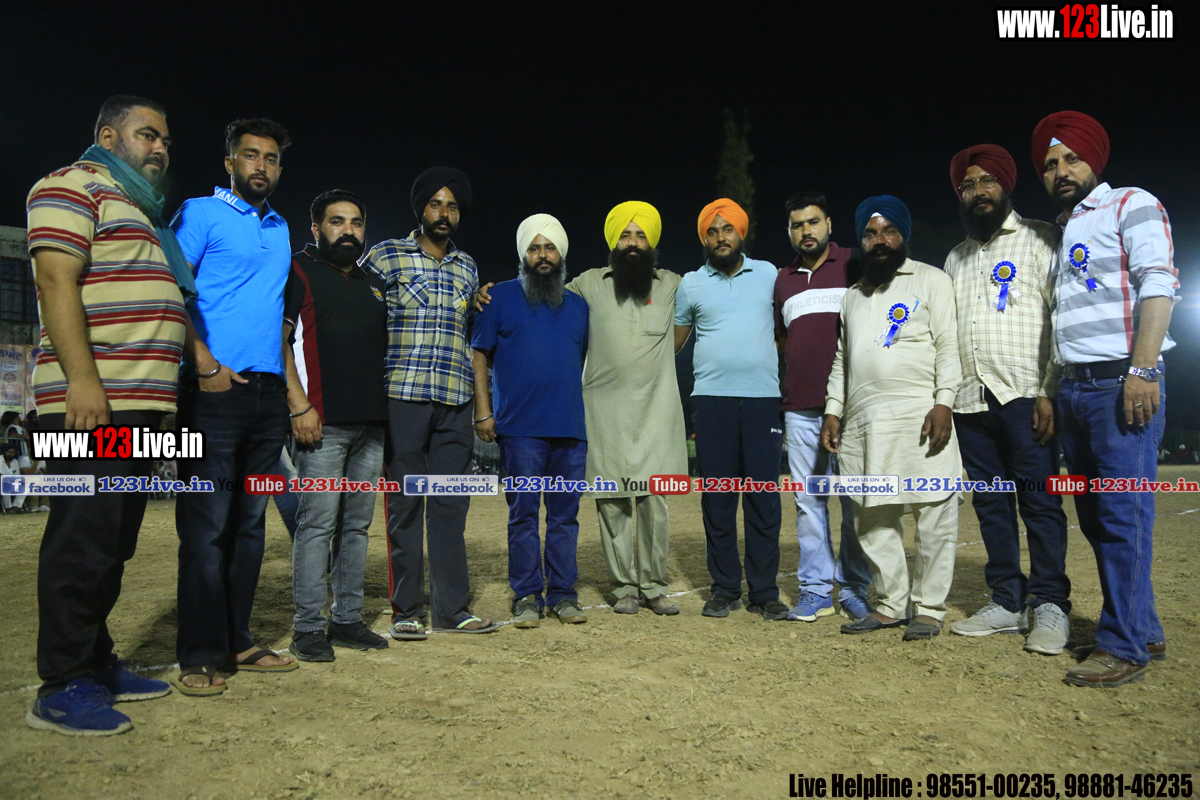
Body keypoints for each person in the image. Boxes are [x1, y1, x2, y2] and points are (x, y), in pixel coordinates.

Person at [25, 95, 189, 734]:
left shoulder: (141, 209)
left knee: (114, 545)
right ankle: (62, 682)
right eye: (148, 135)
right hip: (91, 407)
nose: (160, 148)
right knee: (81, 542)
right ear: (109, 136)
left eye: (165, 140)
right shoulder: (70, 185)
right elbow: (55, 283)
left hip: (138, 409)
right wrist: (83, 381)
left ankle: (94, 660)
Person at [1033, 111, 1178, 687]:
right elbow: (1061, 320)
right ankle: (1142, 627)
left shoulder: (1130, 203)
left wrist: (1142, 368)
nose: (1061, 171)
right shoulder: (1065, 230)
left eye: (1071, 159)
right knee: (1097, 518)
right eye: (1050, 164)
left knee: (1124, 516)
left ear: (1094, 160)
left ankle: (1123, 647)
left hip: (1121, 384)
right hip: (1075, 389)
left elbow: (1159, 283)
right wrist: (1053, 390)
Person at [170, 118, 296, 694]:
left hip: (267, 394)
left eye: (270, 158)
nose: (260, 166)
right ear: (230, 163)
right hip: (213, 393)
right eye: (250, 155)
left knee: (249, 526)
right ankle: (199, 654)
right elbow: (171, 289)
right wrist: (204, 365)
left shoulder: (281, 227)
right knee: (206, 525)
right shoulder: (200, 213)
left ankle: (237, 639)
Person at [942, 145, 1073, 655]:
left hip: (1025, 397)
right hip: (970, 402)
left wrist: (1048, 391)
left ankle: (1050, 604)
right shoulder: (955, 258)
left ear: (1006, 186)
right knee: (992, 505)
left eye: (987, 181)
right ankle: (1005, 600)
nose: (978, 191)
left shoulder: (1041, 238)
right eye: (968, 185)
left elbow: (1061, 316)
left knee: (1040, 504)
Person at [821, 196, 962, 641]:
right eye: (870, 234)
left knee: (933, 514)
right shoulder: (852, 296)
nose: (879, 241)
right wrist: (833, 410)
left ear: (904, 236)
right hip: (865, 421)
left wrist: (944, 402)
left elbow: (949, 344)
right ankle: (890, 604)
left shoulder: (931, 279)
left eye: (889, 231)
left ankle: (930, 609)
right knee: (872, 517)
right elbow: (842, 359)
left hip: (921, 415)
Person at [365, 167, 498, 637]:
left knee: (450, 507)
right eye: (436, 204)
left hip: (455, 401)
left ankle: (452, 610)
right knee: (404, 506)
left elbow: (471, 331)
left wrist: (481, 299)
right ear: (421, 209)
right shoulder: (385, 256)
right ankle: (406, 611)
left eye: (453, 206)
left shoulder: (467, 267)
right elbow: (361, 321)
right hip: (402, 397)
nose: (444, 213)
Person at [283, 190, 390, 661]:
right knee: (317, 526)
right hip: (321, 426)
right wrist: (298, 406)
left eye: (356, 222)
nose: (348, 230)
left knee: (356, 528)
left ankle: (347, 619)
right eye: (336, 221)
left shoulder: (373, 283)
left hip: (372, 425)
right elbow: (279, 342)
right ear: (316, 228)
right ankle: (308, 627)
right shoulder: (297, 271)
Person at [567, 202, 687, 615]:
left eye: (640, 235)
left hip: (657, 412)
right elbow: (544, 299)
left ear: (651, 243)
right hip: (605, 414)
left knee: (655, 502)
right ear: (613, 242)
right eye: (625, 235)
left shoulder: (673, 284)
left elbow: (702, 310)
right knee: (612, 503)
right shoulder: (587, 284)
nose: (632, 243)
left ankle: (653, 586)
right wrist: (492, 294)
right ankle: (623, 588)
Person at [471, 214, 590, 627]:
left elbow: (582, 361)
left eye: (549, 247)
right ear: (524, 255)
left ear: (561, 254)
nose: (542, 255)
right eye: (534, 248)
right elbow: (479, 355)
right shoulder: (498, 297)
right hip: (519, 431)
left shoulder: (579, 307)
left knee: (565, 517)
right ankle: (525, 595)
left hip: (570, 431)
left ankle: (563, 595)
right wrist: (483, 411)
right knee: (522, 515)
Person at [674, 199, 787, 621]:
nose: (721, 237)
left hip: (763, 401)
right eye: (712, 231)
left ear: (742, 233)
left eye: (728, 229)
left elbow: (785, 329)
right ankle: (724, 589)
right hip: (711, 401)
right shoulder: (691, 284)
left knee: (763, 501)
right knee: (718, 500)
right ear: (704, 238)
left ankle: (764, 591)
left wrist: (762, 355)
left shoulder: (770, 274)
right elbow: (673, 342)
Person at [774, 192, 873, 622]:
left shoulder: (854, 263)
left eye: (813, 222)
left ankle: (853, 588)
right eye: (797, 225)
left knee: (855, 502)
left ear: (829, 224)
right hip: (800, 408)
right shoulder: (783, 280)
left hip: (852, 407)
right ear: (789, 231)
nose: (806, 231)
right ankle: (815, 591)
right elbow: (783, 340)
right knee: (808, 501)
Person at [2, 443, 35, 513]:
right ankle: (8, 508)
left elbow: (17, 476)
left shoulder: (15, 462)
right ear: (4, 451)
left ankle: (16, 507)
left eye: (12, 453)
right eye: (8, 452)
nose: (10, 454)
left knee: (27, 485)